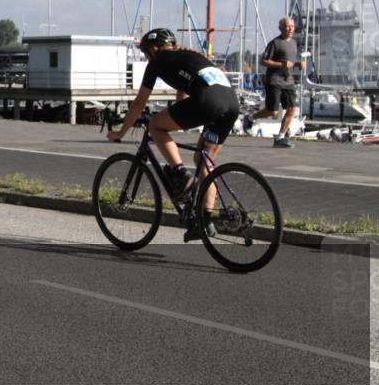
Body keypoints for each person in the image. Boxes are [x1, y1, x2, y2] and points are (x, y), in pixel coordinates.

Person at [106, 28, 240, 242]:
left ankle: (180, 174)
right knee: (204, 161)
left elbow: (140, 103)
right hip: (231, 103)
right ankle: (205, 220)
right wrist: (179, 116)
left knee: (155, 126)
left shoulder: (158, 61)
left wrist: (121, 131)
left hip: (208, 102)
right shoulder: (192, 55)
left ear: (153, 49)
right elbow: (183, 95)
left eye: (146, 53)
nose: (147, 57)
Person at [248, 17, 304, 148]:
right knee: (272, 112)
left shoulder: (294, 43)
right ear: (281, 28)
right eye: (287, 26)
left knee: (291, 110)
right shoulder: (275, 43)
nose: (290, 29)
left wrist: (298, 64)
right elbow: (264, 61)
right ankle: (250, 118)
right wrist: (281, 64)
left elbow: (289, 62)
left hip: (288, 81)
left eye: (292, 26)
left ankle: (280, 138)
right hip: (274, 81)